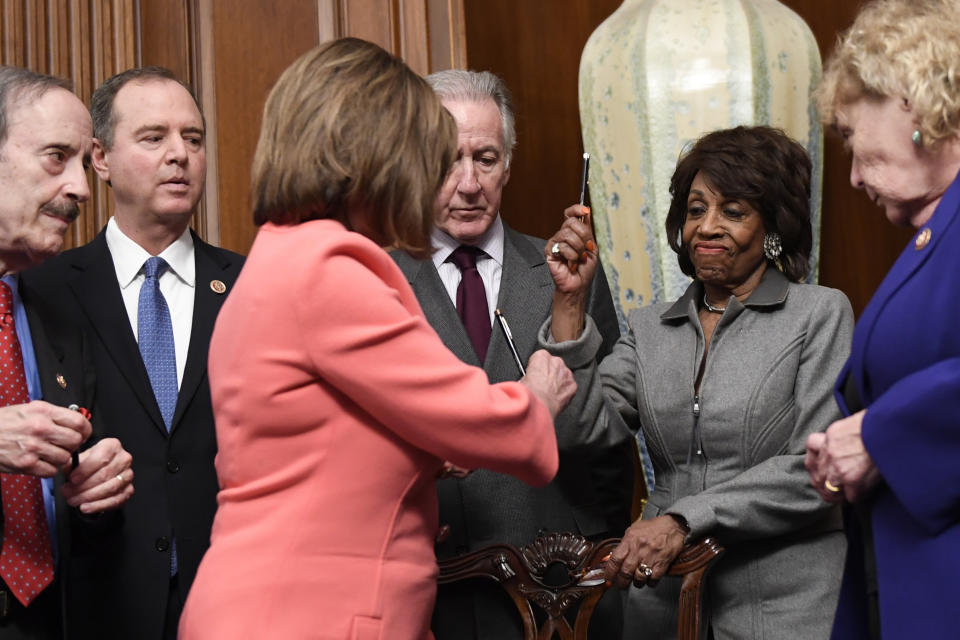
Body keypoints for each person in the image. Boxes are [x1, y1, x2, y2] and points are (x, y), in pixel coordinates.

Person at [178, 38, 575, 640]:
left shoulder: (281, 256)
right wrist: (538, 397)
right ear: (376, 157)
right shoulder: (327, 269)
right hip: (308, 616)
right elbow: (478, 415)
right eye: (428, 154)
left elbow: (316, 450)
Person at [544, 125, 854, 639]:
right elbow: (577, 431)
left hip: (784, 609)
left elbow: (815, 469)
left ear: (773, 225)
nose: (707, 227)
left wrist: (684, 519)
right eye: (695, 210)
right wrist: (570, 304)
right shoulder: (648, 329)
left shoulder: (818, 315)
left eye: (733, 212)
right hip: (662, 606)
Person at [389, 69, 631, 640]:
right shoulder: (380, 280)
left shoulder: (569, 272)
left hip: (559, 595)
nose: (470, 183)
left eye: (486, 158)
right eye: (449, 160)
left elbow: (607, 445)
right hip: (431, 596)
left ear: (509, 164)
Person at [22, 66, 243, 640]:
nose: (180, 156)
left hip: (234, 597)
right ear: (100, 158)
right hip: (95, 600)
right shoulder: (43, 288)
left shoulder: (254, 285)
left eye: (192, 139)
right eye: (154, 138)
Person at [804, 1, 960, 637]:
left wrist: (878, 437)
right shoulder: (934, 230)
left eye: (851, 137)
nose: (853, 174)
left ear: (910, 103)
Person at [0, 66, 133, 640]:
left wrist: (96, 494)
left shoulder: (57, 311)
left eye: (84, 163)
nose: (81, 187)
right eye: (57, 157)